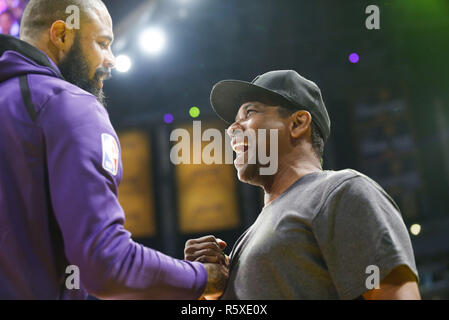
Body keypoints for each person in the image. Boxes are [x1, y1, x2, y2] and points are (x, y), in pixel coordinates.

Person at [0, 0, 227, 299]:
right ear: (61, 34)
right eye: (102, 43)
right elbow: (106, 264)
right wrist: (202, 278)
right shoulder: (71, 105)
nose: (111, 60)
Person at [184, 70, 421, 300]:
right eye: (233, 123)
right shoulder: (246, 241)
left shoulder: (340, 192)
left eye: (249, 113)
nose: (233, 129)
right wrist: (214, 291)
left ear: (297, 123)